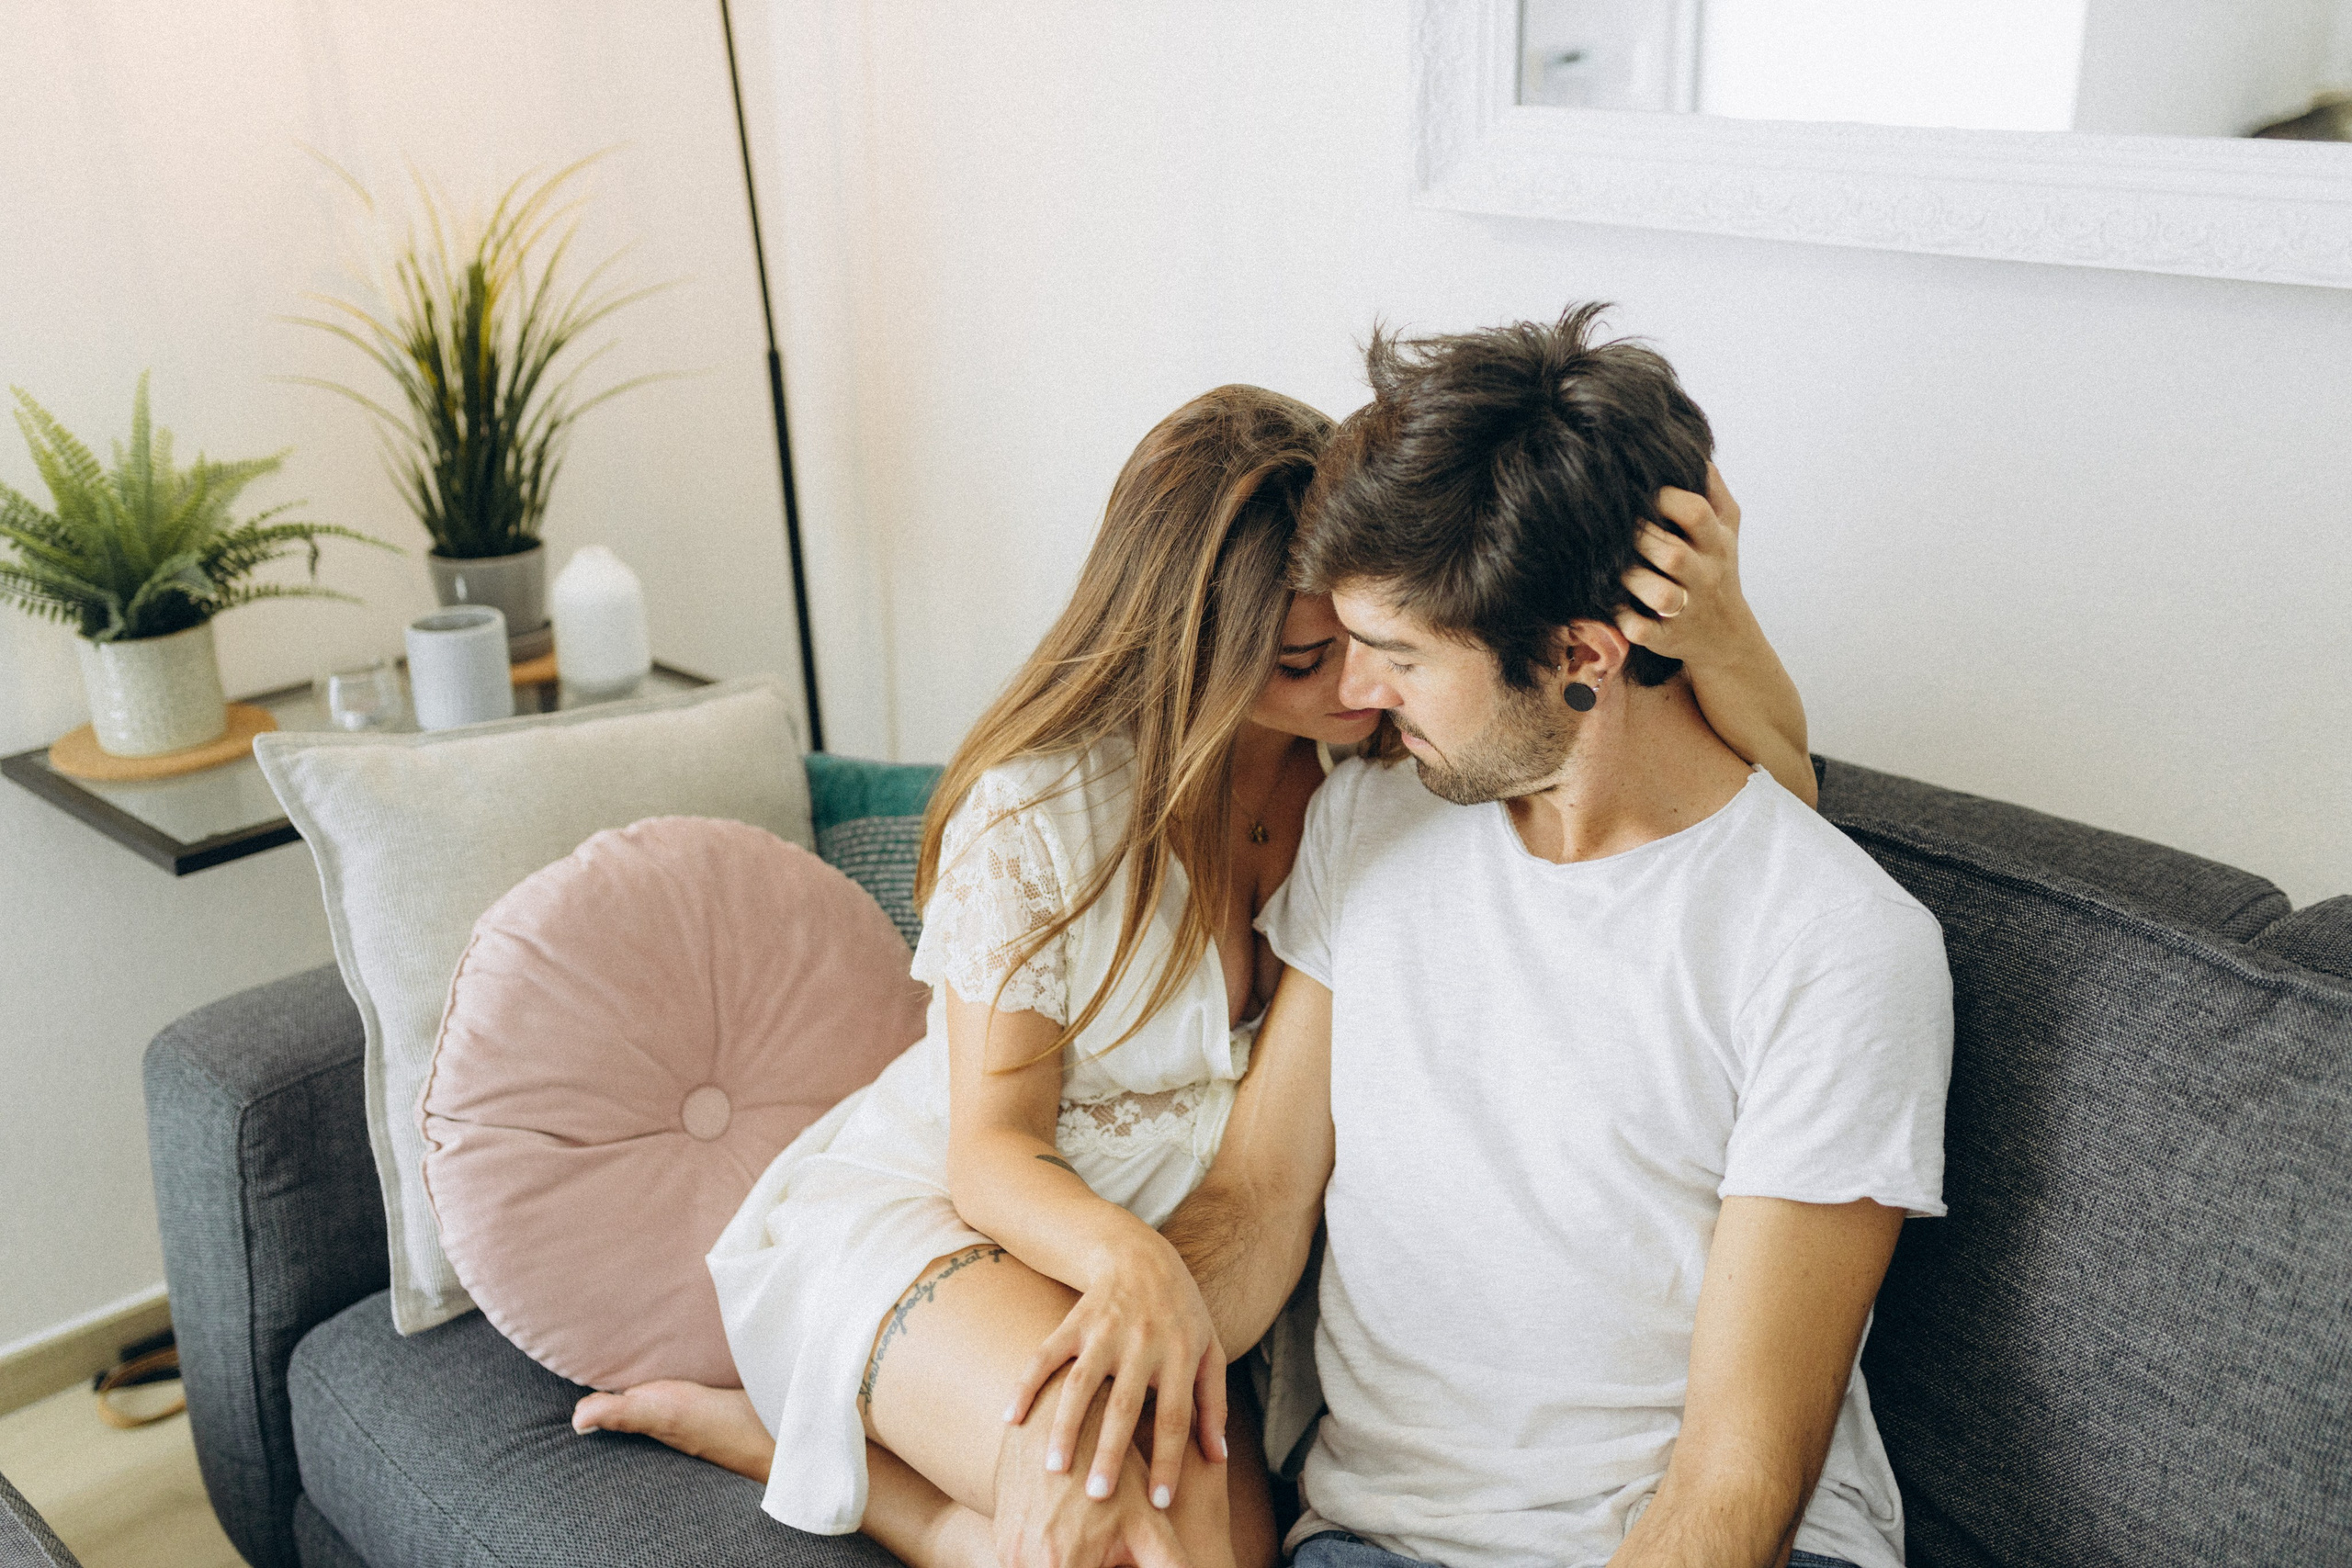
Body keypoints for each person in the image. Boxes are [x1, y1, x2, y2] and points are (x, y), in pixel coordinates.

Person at [573, 373, 1820, 1568]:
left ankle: (848, 1480)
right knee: (1134, 1527)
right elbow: (988, 1152)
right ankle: (814, 1416)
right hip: (959, 1228)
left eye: (1366, 639)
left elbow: (1773, 820)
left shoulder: (1390, 779)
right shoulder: (1047, 817)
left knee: (1221, 1549)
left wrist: (1723, 625)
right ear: (1195, 651)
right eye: (1298, 663)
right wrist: (1135, 1266)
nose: (1356, 683)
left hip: (1186, 1277)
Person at [993, 306, 1956, 1568]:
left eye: (1394, 654)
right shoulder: (1374, 824)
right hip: (1379, 1544)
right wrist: (1099, 1417)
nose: (1353, 696)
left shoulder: (1835, 947)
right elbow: (1260, 1201)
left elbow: (1736, 1482)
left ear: (1580, 656)